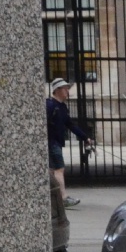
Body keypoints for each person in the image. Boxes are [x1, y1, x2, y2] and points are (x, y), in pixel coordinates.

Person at [46, 78, 93, 208]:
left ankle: (54, 198)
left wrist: (85, 137)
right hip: (51, 142)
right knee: (59, 169)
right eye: (65, 88)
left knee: (53, 170)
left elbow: (70, 125)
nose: (68, 91)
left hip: (56, 142)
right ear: (57, 90)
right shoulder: (50, 105)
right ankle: (63, 197)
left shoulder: (62, 107)